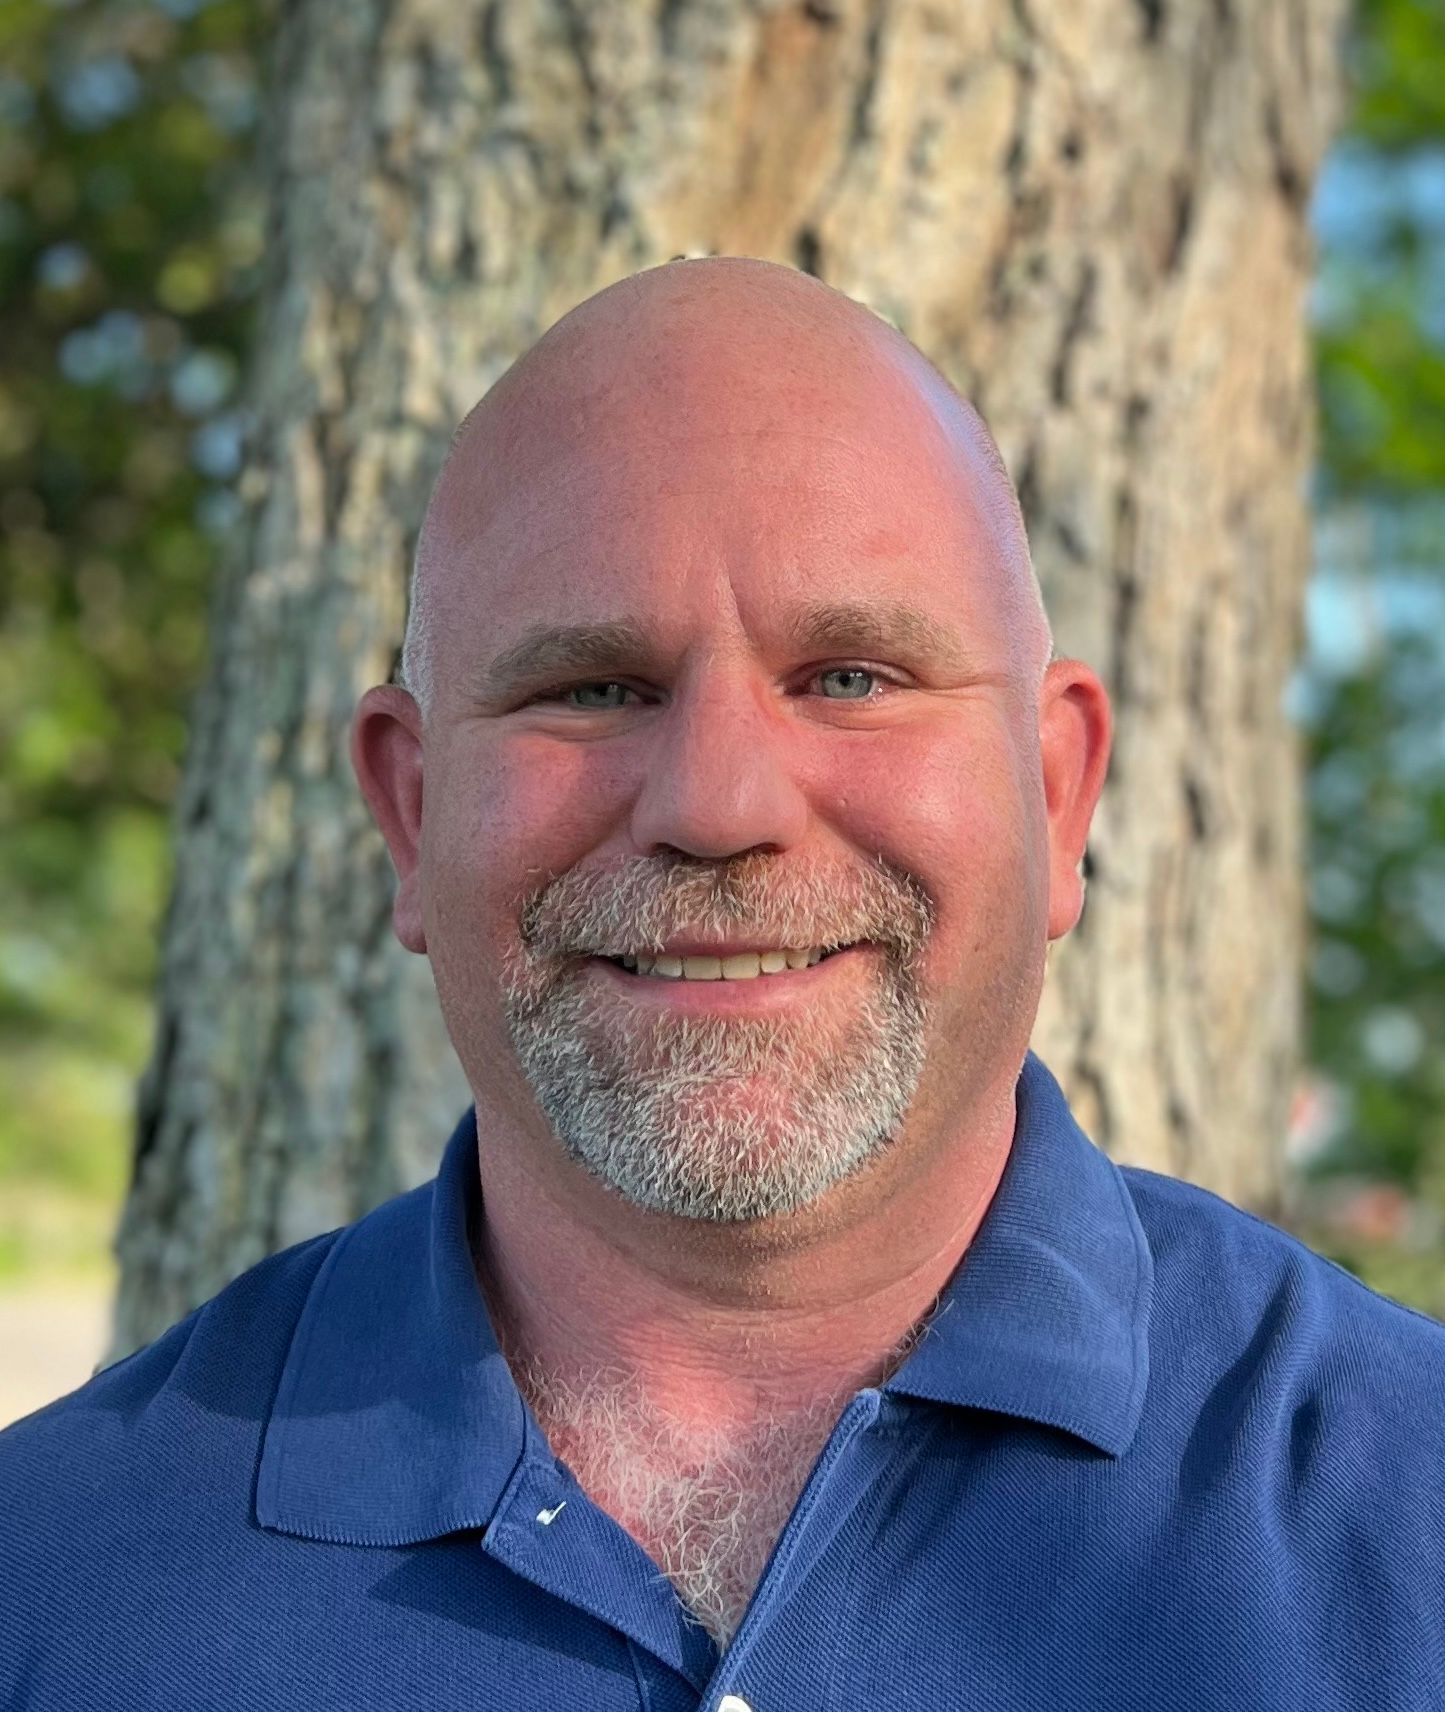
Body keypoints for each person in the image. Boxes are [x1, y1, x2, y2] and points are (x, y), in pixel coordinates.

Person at [2, 257, 1442, 1712]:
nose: (716, 802)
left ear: (1056, 794)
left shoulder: (1410, 1525)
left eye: (850, 677)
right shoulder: (45, 1592)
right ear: (413, 812)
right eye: (594, 689)